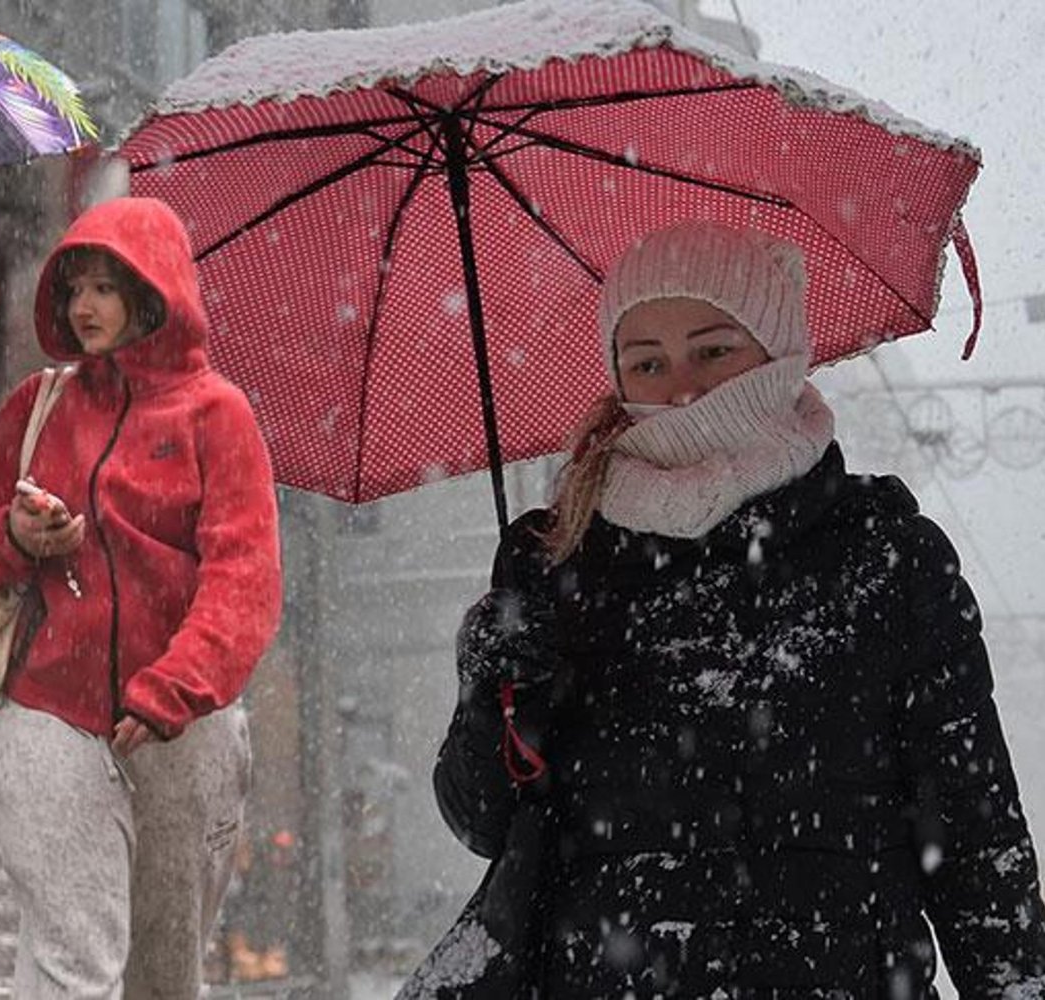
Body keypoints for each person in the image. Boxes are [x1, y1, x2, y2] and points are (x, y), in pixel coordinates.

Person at [426, 221, 1045, 996]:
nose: (681, 387)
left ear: (779, 349)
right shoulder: (556, 558)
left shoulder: (884, 553)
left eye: (714, 349)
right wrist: (491, 690)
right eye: (646, 362)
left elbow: (974, 839)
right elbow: (479, 818)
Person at [0, 195, 281, 999]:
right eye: (74, 288)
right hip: (49, 711)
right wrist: (17, 539)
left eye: (103, 287)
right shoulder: (38, 405)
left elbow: (245, 578)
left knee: (164, 973)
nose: (83, 306)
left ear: (152, 293)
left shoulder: (217, 416)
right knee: (72, 964)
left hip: (182, 728)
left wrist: (175, 687)